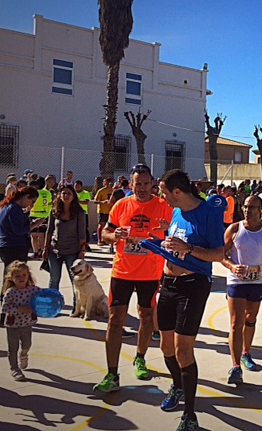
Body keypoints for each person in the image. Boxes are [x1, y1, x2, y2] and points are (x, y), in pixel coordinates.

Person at [155, 169, 225, 431]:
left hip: (193, 285)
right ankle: (177, 385)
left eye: (164, 192)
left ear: (177, 192)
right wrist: (164, 243)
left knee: (183, 350)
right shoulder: (176, 212)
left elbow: (218, 254)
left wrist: (190, 249)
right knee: (166, 347)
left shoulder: (208, 213)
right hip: (168, 284)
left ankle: (190, 415)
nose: (162, 197)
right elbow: (177, 242)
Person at [93, 164, 172, 393]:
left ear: (153, 183)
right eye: (138, 184)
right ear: (131, 184)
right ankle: (112, 373)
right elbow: (105, 232)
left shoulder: (163, 206)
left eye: (146, 183)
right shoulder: (121, 205)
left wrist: (167, 231)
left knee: (146, 316)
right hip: (123, 271)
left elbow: (175, 233)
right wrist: (113, 236)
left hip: (150, 272)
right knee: (115, 319)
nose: (143, 188)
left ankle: (140, 357)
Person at [221, 194, 262, 384]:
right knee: (236, 323)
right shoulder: (235, 229)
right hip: (236, 282)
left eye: (251, 207)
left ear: (261, 211)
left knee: (250, 319)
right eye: (245, 206)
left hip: (257, 282)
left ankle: (246, 353)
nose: (247, 210)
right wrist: (232, 266)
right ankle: (235, 367)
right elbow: (220, 254)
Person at [44, 186, 86, 308]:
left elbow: (82, 234)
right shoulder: (54, 211)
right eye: (63, 193)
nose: (66, 196)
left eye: (69, 194)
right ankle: (52, 305)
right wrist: (45, 248)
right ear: (59, 195)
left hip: (72, 251)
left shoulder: (79, 213)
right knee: (54, 278)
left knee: (74, 279)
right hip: (54, 249)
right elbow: (49, 231)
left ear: (73, 196)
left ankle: (76, 306)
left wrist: (82, 250)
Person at [0, 187, 43, 298]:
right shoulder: (14, 209)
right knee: (17, 278)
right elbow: (18, 230)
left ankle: (6, 301)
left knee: (9, 277)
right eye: (31, 201)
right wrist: (34, 225)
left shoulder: (5, 207)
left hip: (5, 245)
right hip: (15, 246)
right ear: (26, 197)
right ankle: (12, 302)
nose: (31, 205)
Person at [1, 260, 40, 381]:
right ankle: (14, 368)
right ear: (11, 278)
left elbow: (44, 296)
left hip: (27, 324)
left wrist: (54, 298)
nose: (21, 278)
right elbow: (4, 308)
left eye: (24, 275)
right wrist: (19, 309)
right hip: (12, 325)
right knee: (13, 348)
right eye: (17, 276)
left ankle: (23, 355)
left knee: (27, 345)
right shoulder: (11, 292)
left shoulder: (33, 290)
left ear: (28, 275)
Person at [29, 175, 55, 259]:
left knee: (33, 236)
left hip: (34, 214)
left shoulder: (35, 193)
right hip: (44, 215)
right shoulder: (47, 193)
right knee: (41, 235)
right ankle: (42, 251)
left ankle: (35, 252)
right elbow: (49, 204)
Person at [94, 178, 114, 245]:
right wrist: (102, 202)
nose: (108, 184)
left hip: (110, 211)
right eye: (106, 182)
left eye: (109, 183)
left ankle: (106, 240)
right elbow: (95, 201)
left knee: (109, 226)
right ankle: (99, 240)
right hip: (102, 210)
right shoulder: (101, 191)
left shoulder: (113, 191)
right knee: (101, 224)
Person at [74, 180, 92, 248]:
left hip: (83, 213)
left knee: (84, 228)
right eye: (75, 186)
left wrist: (77, 202)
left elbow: (86, 202)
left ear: (81, 186)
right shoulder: (73, 193)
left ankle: (86, 243)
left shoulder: (85, 193)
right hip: (74, 213)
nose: (77, 187)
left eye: (78, 186)